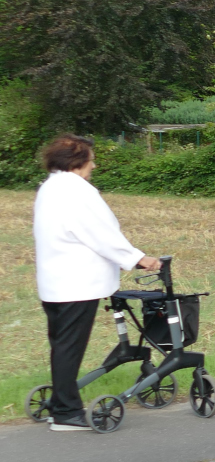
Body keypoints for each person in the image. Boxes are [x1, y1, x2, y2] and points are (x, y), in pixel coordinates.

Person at [32, 135, 163, 432]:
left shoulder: (50, 187)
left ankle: (58, 405)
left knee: (62, 346)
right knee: (69, 348)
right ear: (77, 162)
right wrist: (139, 258)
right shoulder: (76, 191)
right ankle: (66, 413)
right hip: (77, 284)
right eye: (91, 159)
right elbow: (101, 234)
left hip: (55, 282)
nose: (94, 165)